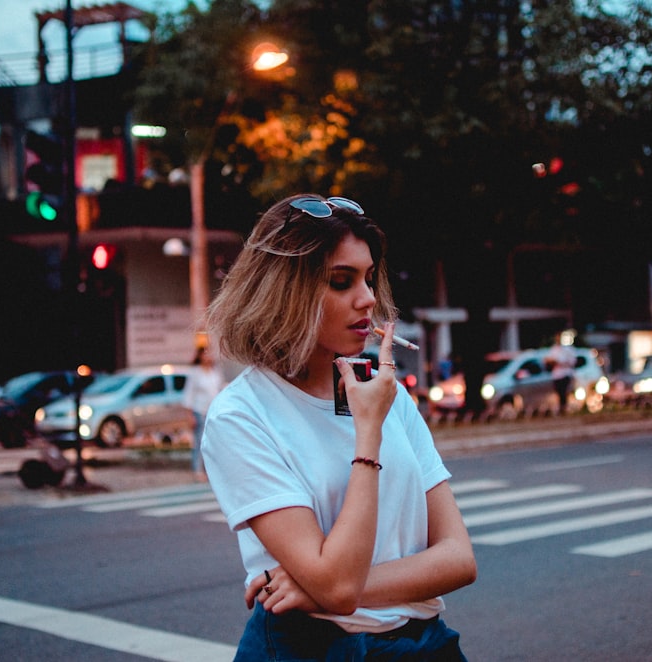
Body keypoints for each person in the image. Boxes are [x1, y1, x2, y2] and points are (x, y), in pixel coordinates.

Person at [202, 194, 477, 660]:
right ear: (285, 292)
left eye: (369, 278)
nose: (368, 298)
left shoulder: (386, 392)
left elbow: (458, 559)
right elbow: (337, 584)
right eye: (341, 281)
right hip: (312, 648)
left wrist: (321, 589)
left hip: (425, 642)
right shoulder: (242, 415)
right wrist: (367, 433)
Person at [184, 345, 225, 482]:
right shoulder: (195, 373)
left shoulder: (215, 372)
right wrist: (189, 415)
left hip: (213, 412)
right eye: (205, 354)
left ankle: (210, 471)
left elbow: (220, 389)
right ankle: (198, 470)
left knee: (213, 442)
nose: (208, 356)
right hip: (199, 411)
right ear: (200, 356)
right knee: (200, 442)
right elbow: (189, 394)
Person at [545, 333, 577, 414]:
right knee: (558, 392)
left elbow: (572, 361)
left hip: (565, 373)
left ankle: (564, 407)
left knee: (564, 391)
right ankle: (561, 407)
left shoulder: (568, 349)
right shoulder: (554, 349)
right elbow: (549, 359)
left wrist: (560, 362)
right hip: (556, 375)